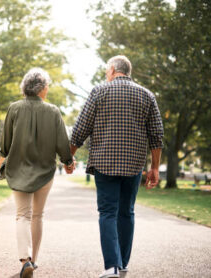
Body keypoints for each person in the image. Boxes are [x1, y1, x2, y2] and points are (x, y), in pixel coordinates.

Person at [68, 55, 164, 278]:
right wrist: (155, 167)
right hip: (133, 165)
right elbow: (157, 135)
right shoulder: (147, 95)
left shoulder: (99, 92)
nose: (105, 75)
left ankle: (111, 266)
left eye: (105, 71)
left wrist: (68, 157)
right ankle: (122, 267)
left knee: (108, 212)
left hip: (105, 163)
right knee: (126, 212)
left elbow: (80, 128)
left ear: (112, 69)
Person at [0, 68, 74, 278]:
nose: (48, 89)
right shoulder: (53, 111)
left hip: (18, 168)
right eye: (47, 86)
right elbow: (62, 142)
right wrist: (68, 161)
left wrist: (1, 161)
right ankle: (34, 261)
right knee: (37, 216)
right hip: (44, 171)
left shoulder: (14, 108)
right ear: (41, 88)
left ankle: (25, 260)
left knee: (22, 215)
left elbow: (6, 142)